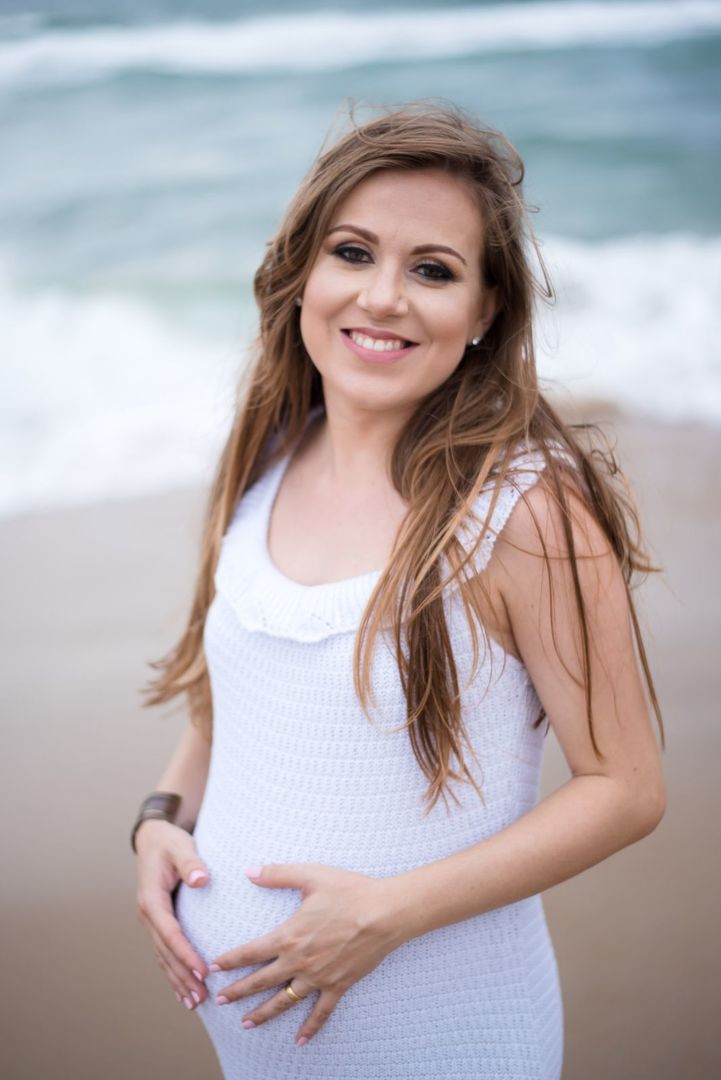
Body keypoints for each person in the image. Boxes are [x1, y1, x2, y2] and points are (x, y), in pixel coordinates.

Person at [132, 101, 666, 1079]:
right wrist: (162, 817)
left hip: (444, 1036)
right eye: (351, 253)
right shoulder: (269, 454)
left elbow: (624, 790)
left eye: (433, 270)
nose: (382, 297)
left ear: (485, 311)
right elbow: (233, 698)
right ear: (300, 272)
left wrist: (384, 915)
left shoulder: (522, 510)